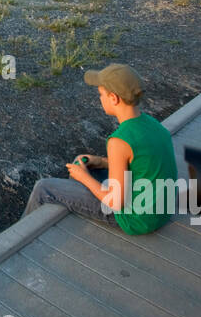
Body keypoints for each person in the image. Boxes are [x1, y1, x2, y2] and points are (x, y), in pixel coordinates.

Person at [23, 63, 177, 235]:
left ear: (114, 98)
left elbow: (115, 203)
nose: (100, 99)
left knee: (44, 188)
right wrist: (102, 162)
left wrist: (84, 178)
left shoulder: (119, 141)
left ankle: (19, 236)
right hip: (162, 209)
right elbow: (142, 164)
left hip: (137, 219)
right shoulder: (152, 124)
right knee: (82, 163)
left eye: (101, 94)